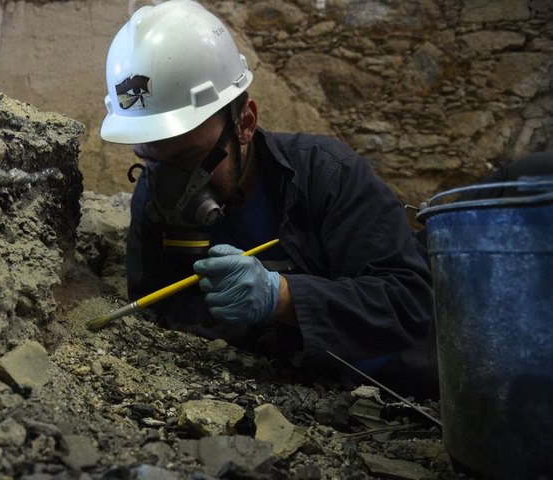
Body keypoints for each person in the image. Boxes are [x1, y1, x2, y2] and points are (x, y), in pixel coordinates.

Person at [100, 0, 437, 398]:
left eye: (189, 158)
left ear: (245, 124)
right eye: (151, 160)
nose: (173, 185)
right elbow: (159, 305)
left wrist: (285, 298)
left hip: (388, 385)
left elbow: (409, 301)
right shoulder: (155, 195)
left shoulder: (329, 176)